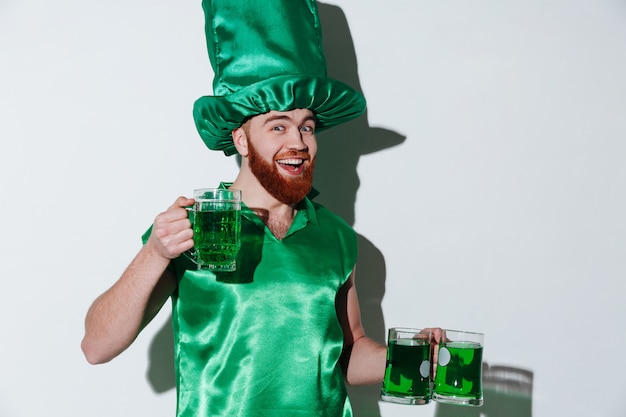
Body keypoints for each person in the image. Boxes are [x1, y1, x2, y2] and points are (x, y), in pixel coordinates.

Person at [81, 1, 441, 416]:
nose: (299, 142)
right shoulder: (194, 227)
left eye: (306, 125)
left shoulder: (338, 237)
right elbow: (96, 346)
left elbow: (348, 352)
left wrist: (414, 359)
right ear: (240, 139)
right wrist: (155, 253)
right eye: (278, 126)